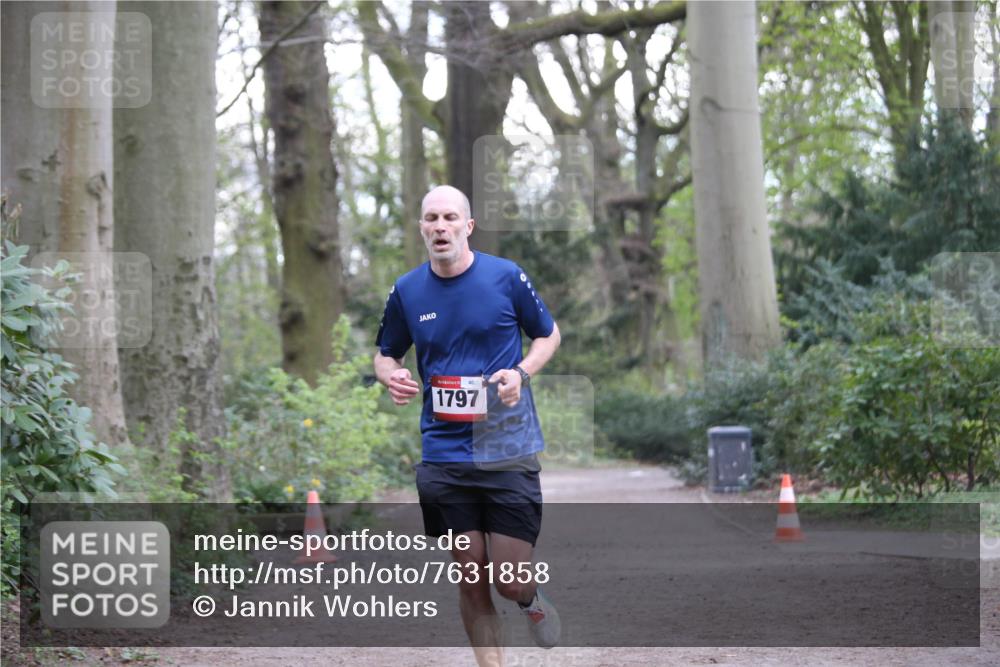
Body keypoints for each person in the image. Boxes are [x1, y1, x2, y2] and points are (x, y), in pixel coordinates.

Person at [373, 185, 562, 665]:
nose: (441, 227)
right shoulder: (408, 290)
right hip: (444, 454)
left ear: (468, 226)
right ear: (421, 228)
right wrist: (392, 375)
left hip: (507, 447)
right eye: (431, 218)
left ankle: (530, 601)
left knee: (509, 576)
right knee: (470, 572)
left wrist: (521, 374)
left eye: (450, 218)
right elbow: (386, 352)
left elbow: (548, 334)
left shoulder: (506, 277)